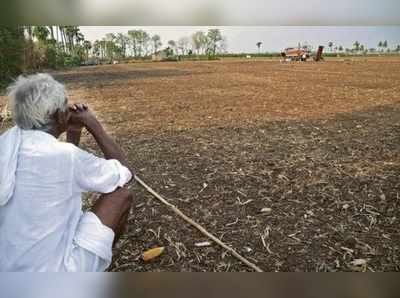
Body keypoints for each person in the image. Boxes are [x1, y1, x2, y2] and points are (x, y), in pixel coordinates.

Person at [0, 73, 134, 272]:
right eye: (65, 104)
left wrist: (74, 132)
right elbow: (126, 173)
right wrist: (93, 124)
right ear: (58, 114)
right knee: (122, 194)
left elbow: (64, 172)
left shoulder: (7, 143)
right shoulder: (64, 156)